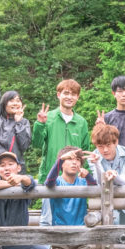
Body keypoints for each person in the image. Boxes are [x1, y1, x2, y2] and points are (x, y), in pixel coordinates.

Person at [33, 78, 90, 225]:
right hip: (51, 178)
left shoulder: (81, 122)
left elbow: (85, 151)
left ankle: (71, 248)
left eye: (73, 94)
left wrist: (86, 176)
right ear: (58, 95)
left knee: (74, 219)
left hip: (74, 179)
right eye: (66, 93)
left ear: (77, 97)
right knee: (47, 219)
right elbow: (37, 144)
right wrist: (40, 124)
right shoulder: (49, 117)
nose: (69, 97)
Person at [0, 43, 32, 176]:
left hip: (14, 170)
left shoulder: (24, 122)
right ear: (4, 103)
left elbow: (24, 146)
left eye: (18, 100)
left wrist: (19, 123)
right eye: (12, 100)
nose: (16, 103)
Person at [88, 121, 125, 249]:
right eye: (100, 146)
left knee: (123, 231)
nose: (104, 150)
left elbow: (124, 180)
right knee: (110, 226)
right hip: (106, 197)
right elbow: (98, 180)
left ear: (116, 142)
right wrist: (97, 164)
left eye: (108, 145)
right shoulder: (95, 155)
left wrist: (113, 175)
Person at [43, 147, 98, 249]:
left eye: (78, 159)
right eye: (69, 159)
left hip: (81, 240)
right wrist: (60, 160)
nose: (74, 162)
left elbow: (95, 188)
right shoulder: (57, 182)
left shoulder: (83, 182)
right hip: (61, 241)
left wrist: (88, 176)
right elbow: (49, 182)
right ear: (62, 163)